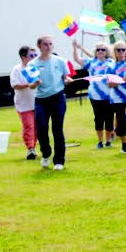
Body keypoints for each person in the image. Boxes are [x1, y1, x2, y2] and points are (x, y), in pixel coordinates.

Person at [30, 35, 73, 170]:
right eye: (45, 44)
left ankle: (59, 161)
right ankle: (46, 153)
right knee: (42, 128)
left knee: (57, 129)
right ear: (39, 47)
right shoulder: (33, 64)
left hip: (58, 98)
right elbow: (30, 86)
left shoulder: (60, 61)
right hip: (41, 100)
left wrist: (67, 80)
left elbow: (66, 77)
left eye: (50, 44)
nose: (48, 47)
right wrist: (35, 83)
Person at [71, 40, 115, 148]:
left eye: (103, 50)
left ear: (106, 51)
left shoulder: (111, 62)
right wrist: (75, 48)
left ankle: (108, 140)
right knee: (98, 118)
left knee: (109, 118)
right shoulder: (91, 62)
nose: (100, 51)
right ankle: (100, 141)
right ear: (95, 51)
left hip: (109, 95)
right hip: (95, 95)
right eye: (98, 50)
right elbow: (77, 60)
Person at [9, 45, 39, 160]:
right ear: (23, 57)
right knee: (28, 126)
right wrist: (29, 85)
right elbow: (14, 85)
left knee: (37, 127)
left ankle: (34, 147)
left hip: (37, 102)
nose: (34, 57)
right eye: (31, 55)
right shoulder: (17, 69)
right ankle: (30, 148)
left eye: (35, 55)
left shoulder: (36, 67)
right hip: (24, 105)